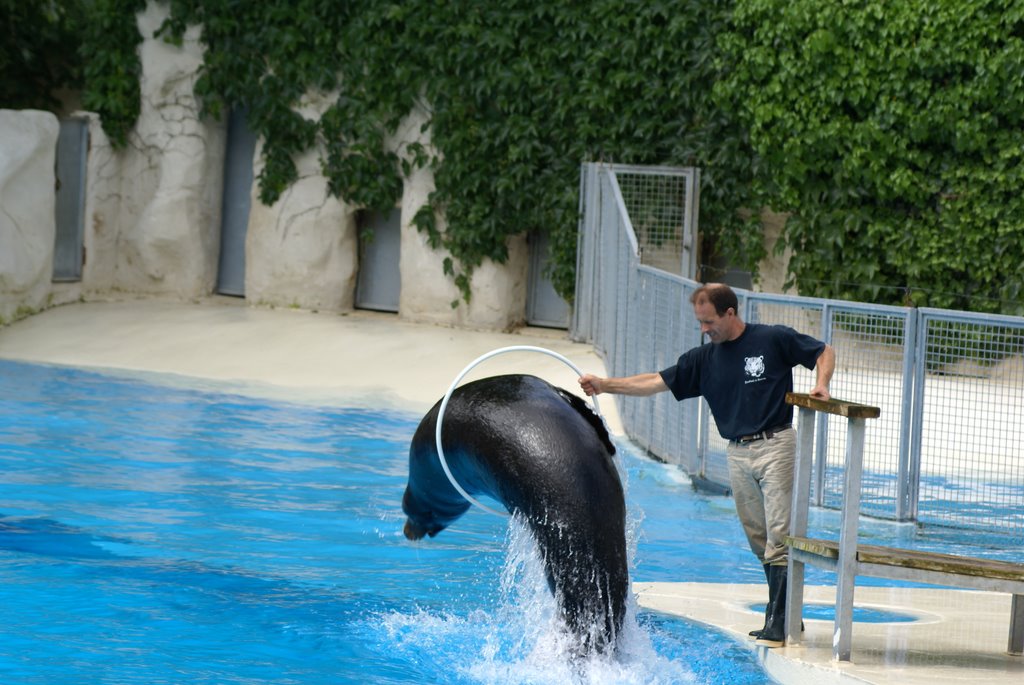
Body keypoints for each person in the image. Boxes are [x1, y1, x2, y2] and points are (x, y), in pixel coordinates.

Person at [578, 283, 835, 648]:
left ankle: (777, 621)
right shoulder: (705, 359)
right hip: (737, 451)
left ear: (730, 313)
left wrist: (821, 383)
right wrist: (605, 385)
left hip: (776, 443)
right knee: (758, 538)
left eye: (709, 321)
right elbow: (655, 381)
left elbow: (824, 351)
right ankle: (787, 614)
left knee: (780, 533)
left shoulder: (771, 339)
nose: (704, 329)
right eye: (700, 322)